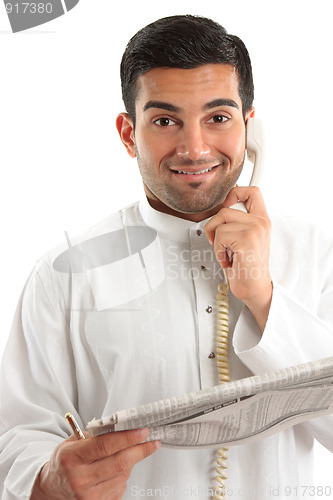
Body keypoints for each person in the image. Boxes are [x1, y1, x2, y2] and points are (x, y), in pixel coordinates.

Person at [1, 14, 333, 500]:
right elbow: (17, 434)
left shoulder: (318, 255)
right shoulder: (64, 275)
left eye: (218, 118)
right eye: (164, 120)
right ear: (128, 133)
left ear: (249, 126)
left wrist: (263, 298)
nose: (194, 148)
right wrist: (46, 479)